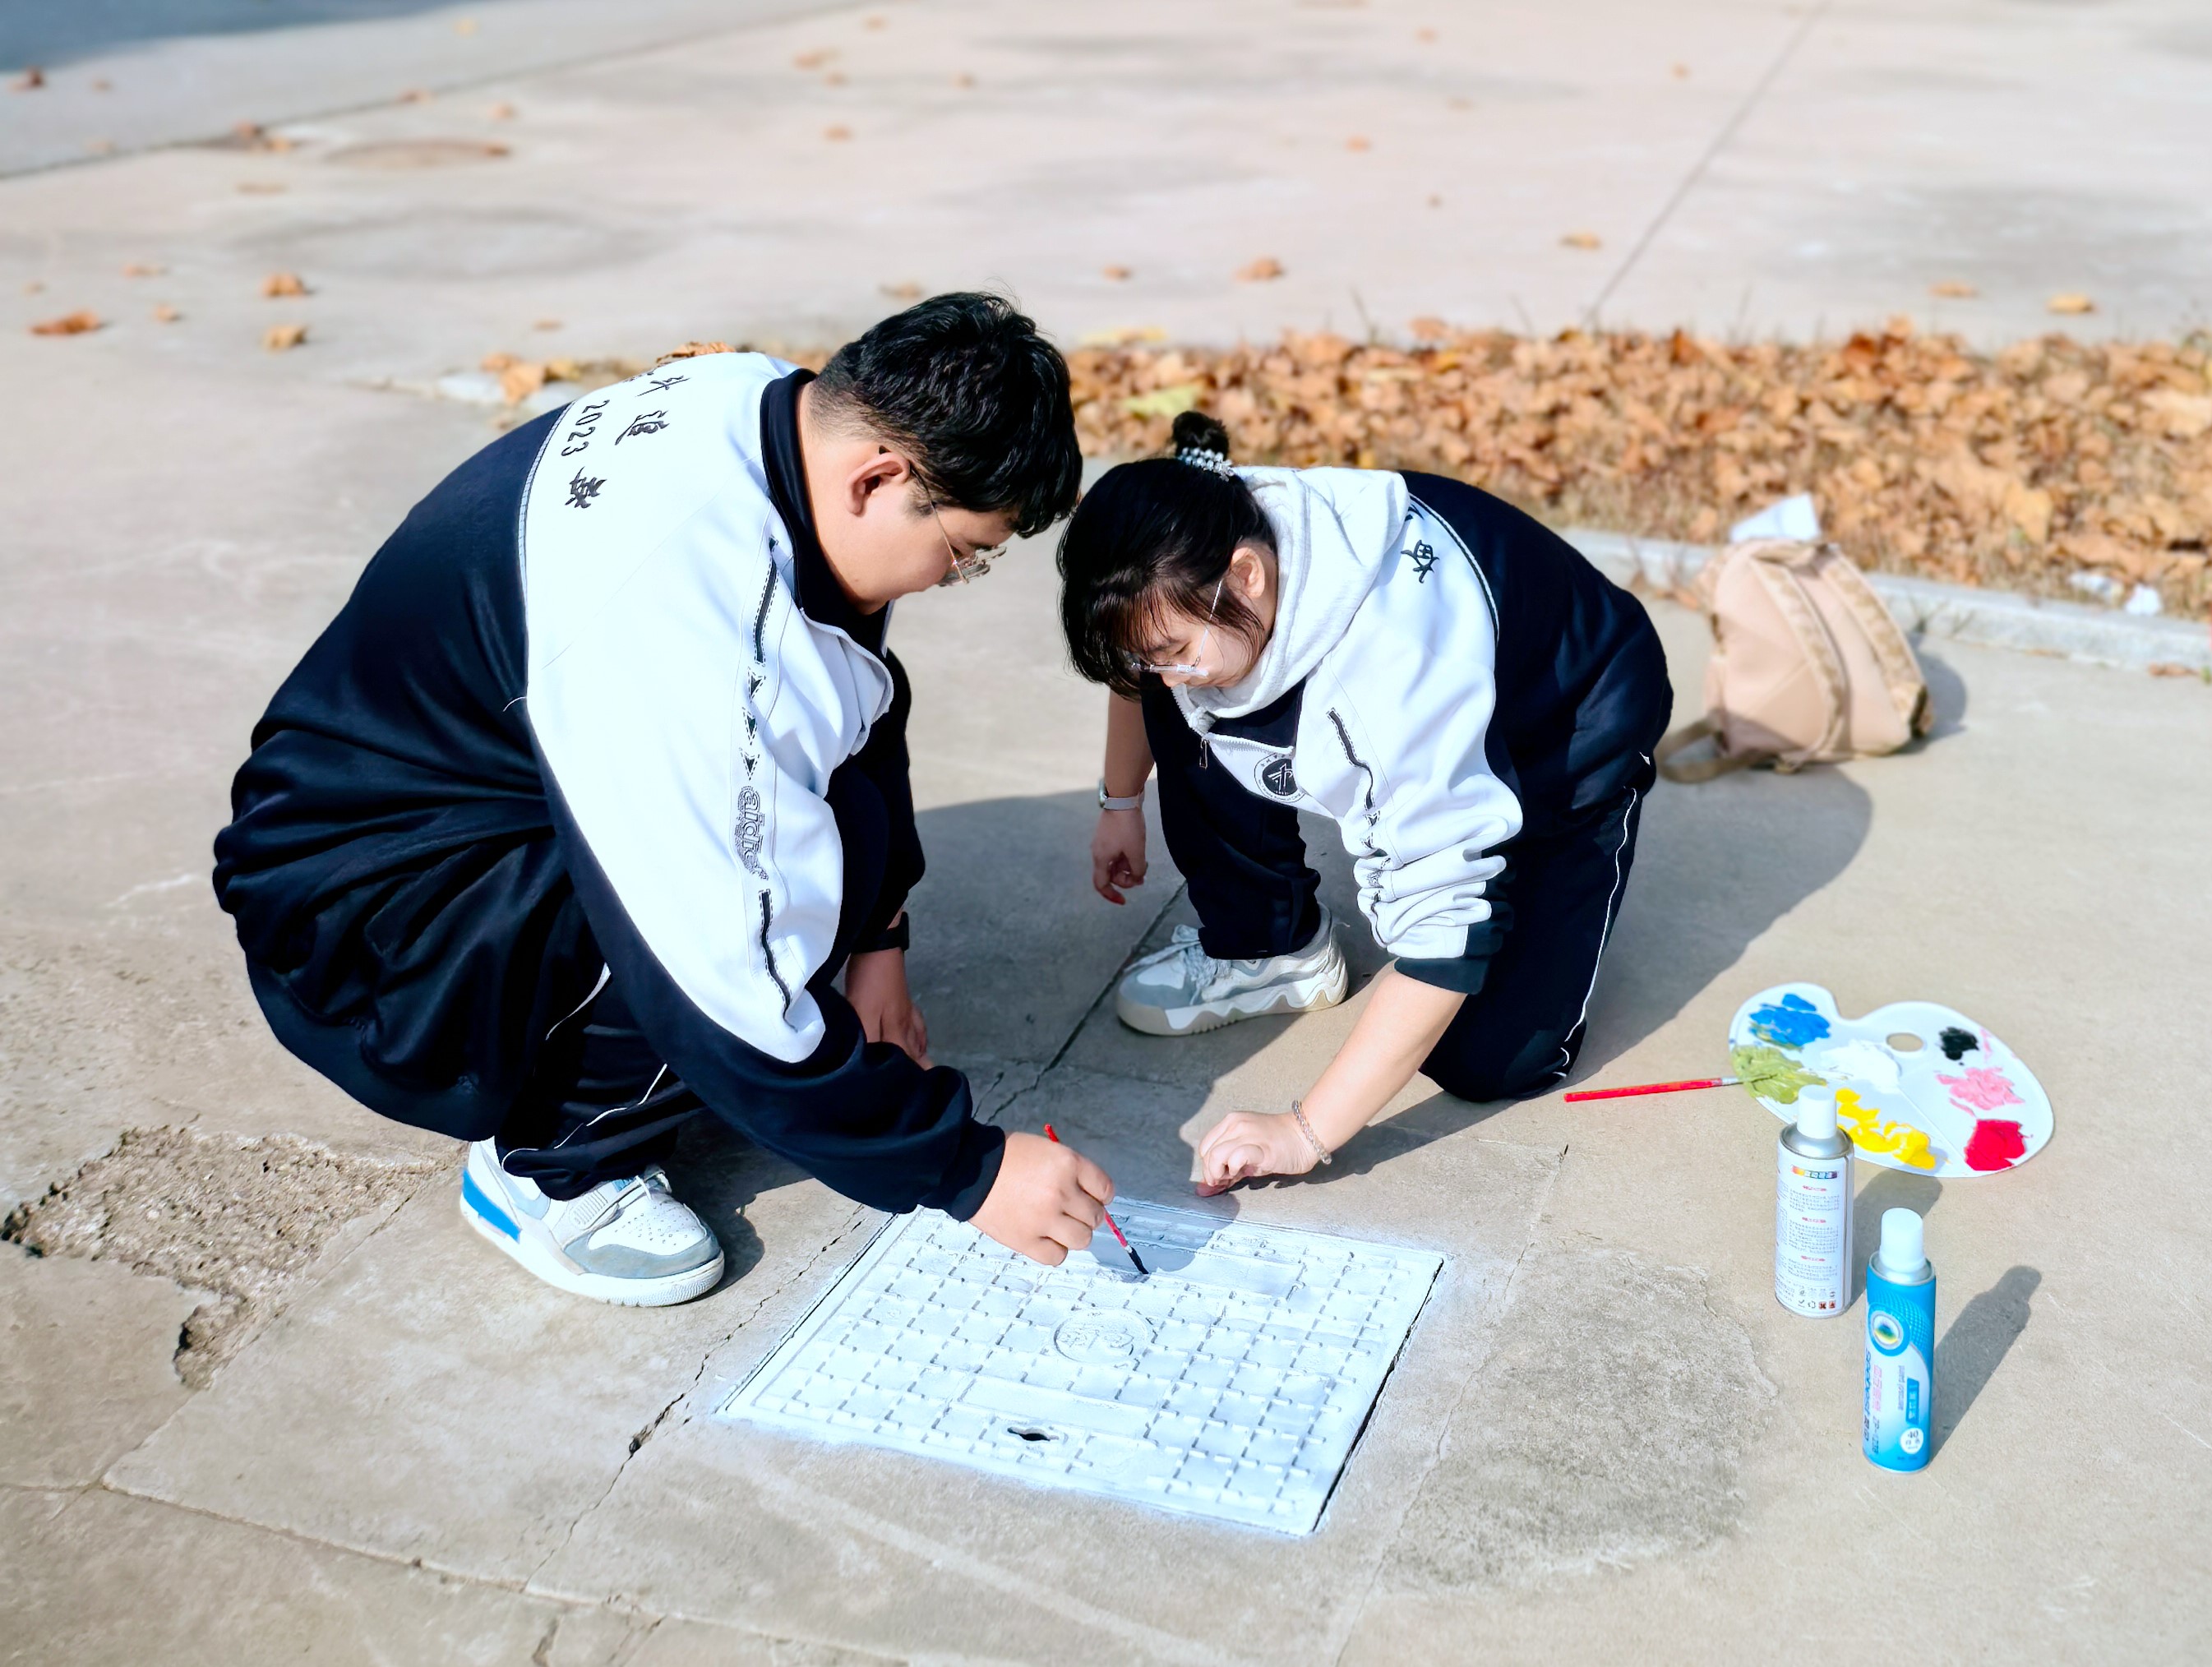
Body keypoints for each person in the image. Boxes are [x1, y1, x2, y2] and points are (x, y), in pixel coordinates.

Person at [213, 293, 1118, 1307]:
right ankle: (554, 1169)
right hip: (372, 905)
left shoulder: (768, 410)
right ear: (878, 477)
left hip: (439, 785)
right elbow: (718, 965)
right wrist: (967, 1169)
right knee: (710, 941)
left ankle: (633, 1072)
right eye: (962, 553)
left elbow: (856, 703)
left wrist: (880, 941)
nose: (952, 577)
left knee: (838, 822)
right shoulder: (690, 621)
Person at [1060, 412, 1671, 1193]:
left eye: (1172, 652)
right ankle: (1268, 943)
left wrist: (1303, 1131)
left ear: (1247, 576)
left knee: (1487, 1058)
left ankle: (1522, 836)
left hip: (1569, 727)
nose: (1164, 677)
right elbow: (1142, 664)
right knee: (1196, 677)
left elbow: (1448, 936)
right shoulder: (1198, 540)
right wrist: (1119, 801)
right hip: (1443, 684)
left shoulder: (1388, 682)